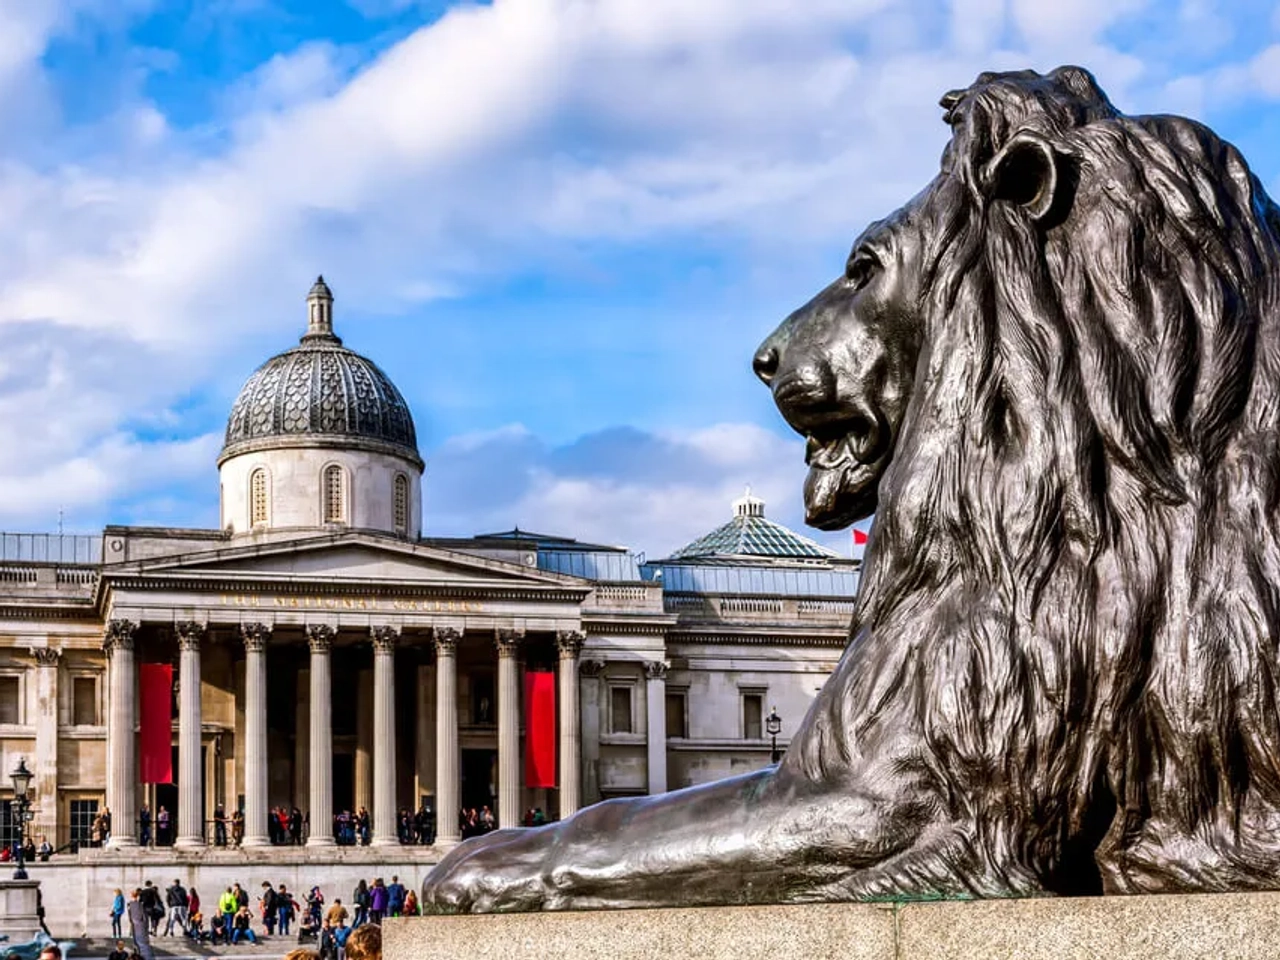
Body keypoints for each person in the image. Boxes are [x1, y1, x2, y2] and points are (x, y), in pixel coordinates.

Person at [127, 888, 156, 960]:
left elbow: (132, 918)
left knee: (140, 944)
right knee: (142, 945)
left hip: (138, 927)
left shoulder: (133, 905)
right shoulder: (138, 905)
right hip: (140, 927)